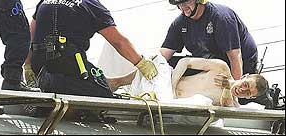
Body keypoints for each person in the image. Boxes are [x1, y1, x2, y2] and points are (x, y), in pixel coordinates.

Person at [24, 0, 158, 98]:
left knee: (98, 83)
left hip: (41, 71)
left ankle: (116, 82)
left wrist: (28, 66)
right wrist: (141, 63)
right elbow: (118, 42)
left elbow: (29, 36)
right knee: (104, 95)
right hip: (69, 72)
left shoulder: (45, 0)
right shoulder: (89, 2)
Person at [161, 0, 259, 82]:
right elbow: (163, 55)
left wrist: (234, 88)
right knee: (166, 65)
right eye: (179, 4)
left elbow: (235, 57)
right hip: (209, 66)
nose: (183, 7)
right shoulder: (179, 24)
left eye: (187, 2)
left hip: (241, 66)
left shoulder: (221, 18)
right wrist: (144, 64)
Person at [108, 56, 269, 107]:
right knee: (156, 59)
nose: (243, 90)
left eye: (248, 93)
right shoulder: (222, 68)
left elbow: (226, 104)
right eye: (246, 85)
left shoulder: (232, 105)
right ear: (244, 76)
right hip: (167, 86)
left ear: (249, 98)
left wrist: (227, 88)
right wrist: (171, 87)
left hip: (167, 103)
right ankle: (116, 82)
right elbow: (185, 62)